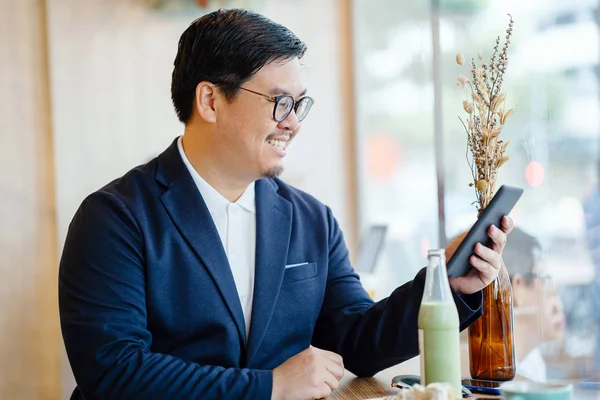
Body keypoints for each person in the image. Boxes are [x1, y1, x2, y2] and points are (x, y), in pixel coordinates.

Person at [58, 9, 513, 400]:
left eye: (299, 105)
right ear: (210, 100)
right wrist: (269, 386)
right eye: (279, 102)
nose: (293, 123)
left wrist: (449, 285)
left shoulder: (310, 219)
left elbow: (355, 339)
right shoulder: (113, 219)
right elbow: (115, 372)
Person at [502, 227, 565, 382]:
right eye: (545, 282)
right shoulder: (499, 376)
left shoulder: (532, 362)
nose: (558, 306)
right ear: (519, 287)